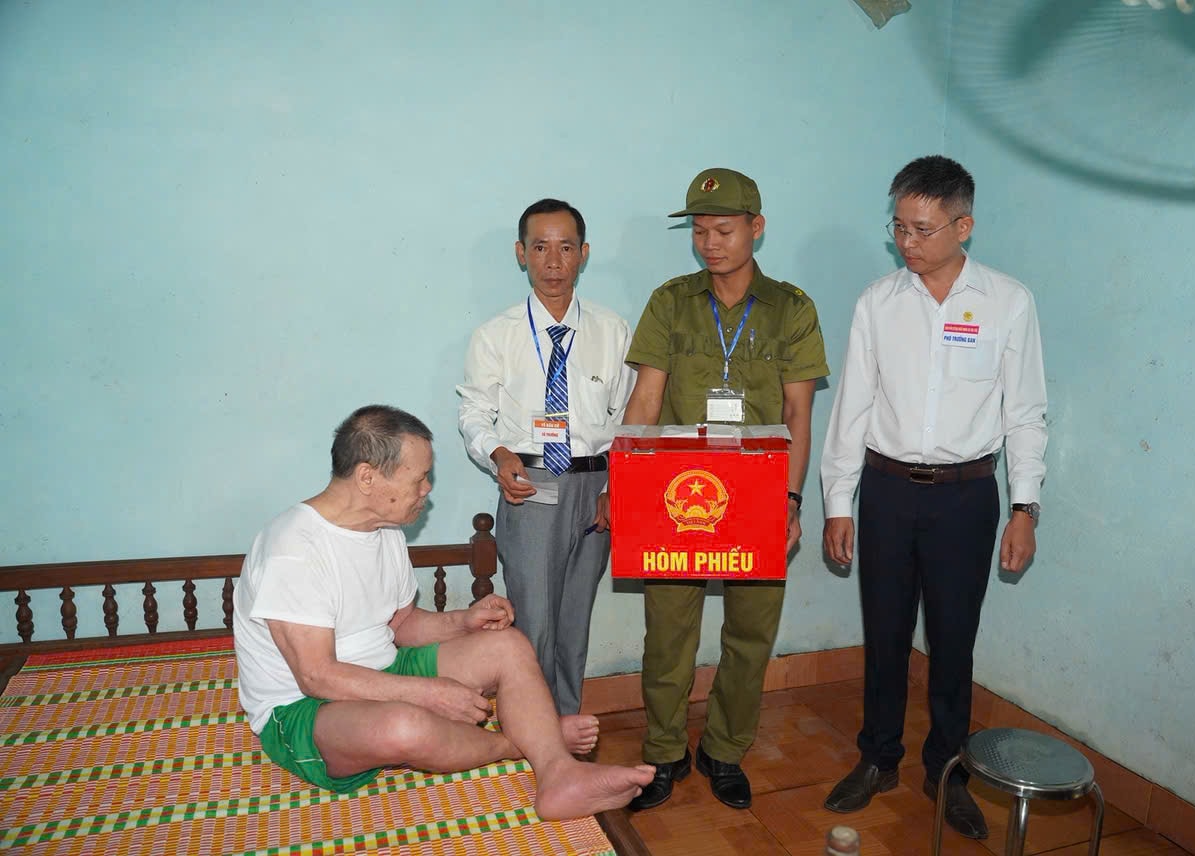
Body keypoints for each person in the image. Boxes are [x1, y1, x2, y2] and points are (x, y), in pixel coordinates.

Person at [232, 404, 653, 820]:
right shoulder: (293, 549)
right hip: (303, 708)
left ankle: (559, 774)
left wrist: (464, 621)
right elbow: (316, 676)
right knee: (405, 726)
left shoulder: (384, 530)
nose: (427, 489)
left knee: (506, 646)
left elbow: (401, 625)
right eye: (418, 478)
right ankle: (516, 744)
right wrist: (428, 694)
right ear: (367, 477)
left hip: (382, 667)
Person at [819, 155, 1048, 839]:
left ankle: (948, 770)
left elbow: (1025, 413)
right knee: (885, 636)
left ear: (963, 226)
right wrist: (839, 501)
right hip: (887, 490)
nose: (907, 243)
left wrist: (1025, 508)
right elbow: (852, 407)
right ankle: (877, 758)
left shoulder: (1008, 302)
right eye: (899, 228)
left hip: (965, 499)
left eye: (922, 230)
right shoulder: (878, 302)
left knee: (954, 641)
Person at [621, 168, 829, 811]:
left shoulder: (791, 309)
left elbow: (797, 416)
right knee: (668, 633)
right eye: (700, 231)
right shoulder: (670, 301)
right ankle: (664, 751)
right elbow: (646, 399)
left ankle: (725, 749)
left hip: (759, 496)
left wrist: (791, 502)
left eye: (724, 230)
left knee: (749, 634)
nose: (710, 243)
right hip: (675, 496)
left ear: (756, 228)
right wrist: (625, 484)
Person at [458, 199, 635, 716]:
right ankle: (532, 729)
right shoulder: (496, 334)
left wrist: (616, 487)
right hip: (531, 483)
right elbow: (474, 412)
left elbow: (629, 417)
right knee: (533, 621)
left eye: (565, 248)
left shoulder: (612, 330)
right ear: (521, 254)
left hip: (596, 485)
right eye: (540, 248)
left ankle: (565, 727)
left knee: (575, 621)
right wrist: (497, 454)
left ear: (584, 253)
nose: (553, 262)